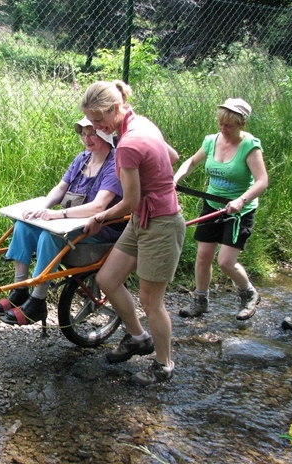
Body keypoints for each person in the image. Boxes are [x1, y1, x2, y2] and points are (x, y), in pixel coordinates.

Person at [81, 80, 185, 386]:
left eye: (99, 120)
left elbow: (130, 201)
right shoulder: (141, 123)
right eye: (90, 121)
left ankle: (164, 365)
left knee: (152, 301)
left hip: (162, 223)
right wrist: (157, 174)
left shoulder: (126, 145)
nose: (96, 127)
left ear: (115, 109)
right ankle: (138, 338)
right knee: (107, 279)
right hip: (143, 219)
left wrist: (100, 217)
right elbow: (173, 156)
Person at [0, 117, 124, 325]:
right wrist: (42, 208)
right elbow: (61, 188)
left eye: (92, 134)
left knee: (48, 236)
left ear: (105, 134)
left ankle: (38, 300)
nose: (87, 139)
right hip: (70, 224)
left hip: (97, 229)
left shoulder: (114, 165)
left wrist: (58, 215)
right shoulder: (83, 159)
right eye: (83, 133)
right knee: (23, 226)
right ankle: (20, 290)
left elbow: (99, 206)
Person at [174, 98, 269, 321]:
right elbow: (192, 161)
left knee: (225, 262)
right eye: (221, 124)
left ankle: (249, 294)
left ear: (242, 124)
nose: (223, 129)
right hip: (213, 205)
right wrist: (176, 178)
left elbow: (262, 181)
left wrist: (241, 201)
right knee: (203, 256)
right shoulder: (211, 141)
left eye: (229, 126)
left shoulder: (250, 146)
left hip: (239, 211)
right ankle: (200, 301)